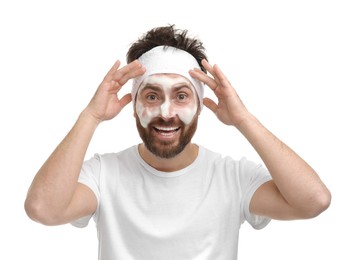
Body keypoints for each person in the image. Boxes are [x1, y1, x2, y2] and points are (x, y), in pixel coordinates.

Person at [25, 25, 331, 260]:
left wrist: (243, 119)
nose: (166, 112)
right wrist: (91, 115)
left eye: (182, 96)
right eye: (152, 96)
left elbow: (313, 201)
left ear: (199, 104)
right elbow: (43, 209)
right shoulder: (104, 174)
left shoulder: (232, 177)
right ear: (134, 105)